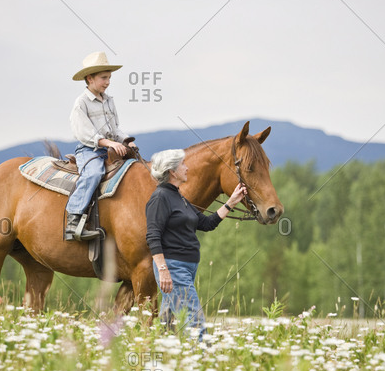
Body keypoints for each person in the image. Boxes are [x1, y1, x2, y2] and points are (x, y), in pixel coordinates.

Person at [145, 149, 248, 341]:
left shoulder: (179, 197)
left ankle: (165, 358)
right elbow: (152, 236)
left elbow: (206, 224)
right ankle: (203, 362)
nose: (187, 167)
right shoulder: (160, 198)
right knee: (195, 323)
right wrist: (163, 270)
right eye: (183, 164)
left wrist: (231, 202)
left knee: (169, 325)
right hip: (173, 268)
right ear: (172, 171)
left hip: (186, 267)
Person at [65, 51, 135, 241]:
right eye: (104, 78)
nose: (108, 82)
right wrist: (109, 143)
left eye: (109, 78)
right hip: (89, 150)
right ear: (90, 78)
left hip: (110, 148)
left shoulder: (109, 101)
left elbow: (115, 129)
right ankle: (73, 220)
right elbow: (85, 133)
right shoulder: (81, 103)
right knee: (94, 173)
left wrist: (127, 141)